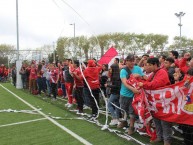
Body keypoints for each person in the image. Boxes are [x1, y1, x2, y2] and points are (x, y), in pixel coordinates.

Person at [138, 57, 172, 145]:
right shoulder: (153, 73)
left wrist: (143, 84)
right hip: (155, 103)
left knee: (164, 122)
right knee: (156, 120)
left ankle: (167, 141)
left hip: (163, 102)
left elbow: (155, 84)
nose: (147, 67)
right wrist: (140, 79)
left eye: (149, 65)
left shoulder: (162, 72)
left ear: (155, 65)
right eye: (146, 65)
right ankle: (159, 137)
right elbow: (148, 82)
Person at [118, 54, 144, 136]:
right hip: (124, 94)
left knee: (132, 112)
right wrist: (133, 89)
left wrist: (139, 76)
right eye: (131, 61)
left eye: (134, 60)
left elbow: (144, 78)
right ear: (127, 61)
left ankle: (131, 127)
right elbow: (125, 83)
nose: (133, 62)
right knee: (123, 109)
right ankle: (124, 122)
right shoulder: (123, 70)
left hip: (135, 95)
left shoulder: (138, 69)